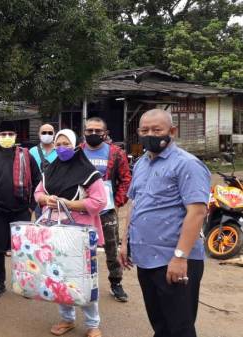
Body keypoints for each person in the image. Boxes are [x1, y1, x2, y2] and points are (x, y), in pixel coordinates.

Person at [119, 109, 209, 337]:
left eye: (156, 130)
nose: (150, 134)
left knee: (180, 327)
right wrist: (124, 241)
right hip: (146, 258)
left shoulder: (187, 164)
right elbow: (135, 203)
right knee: (159, 322)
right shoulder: (141, 164)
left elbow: (197, 212)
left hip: (173, 259)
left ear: (172, 131)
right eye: (144, 130)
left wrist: (180, 257)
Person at [34, 129, 106, 337]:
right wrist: (44, 200)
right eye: (58, 144)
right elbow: (38, 191)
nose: (61, 148)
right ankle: (67, 319)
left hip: (80, 233)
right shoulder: (51, 170)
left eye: (66, 144)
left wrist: (69, 204)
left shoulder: (88, 172)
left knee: (84, 278)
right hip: (54, 231)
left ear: (75, 145)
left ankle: (93, 324)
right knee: (59, 276)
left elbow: (99, 201)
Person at [0, 120, 40, 298]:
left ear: (15, 136)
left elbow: (37, 181)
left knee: (24, 249)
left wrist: (31, 207)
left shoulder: (26, 156)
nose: (6, 138)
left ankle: (25, 283)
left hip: (22, 210)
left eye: (10, 134)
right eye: (3, 134)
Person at [81, 117, 132, 302]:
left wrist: (117, 202)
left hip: (107, 210)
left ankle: (116, 283)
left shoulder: (116, 153)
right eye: (89, 131)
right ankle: (81, 283)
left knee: (112, 248)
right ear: (84, 132)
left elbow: (126, 179)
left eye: (97, 131)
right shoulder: (77, 152)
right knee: (82, 248)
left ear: (105, 133)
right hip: (83, 210)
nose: (93, 134)